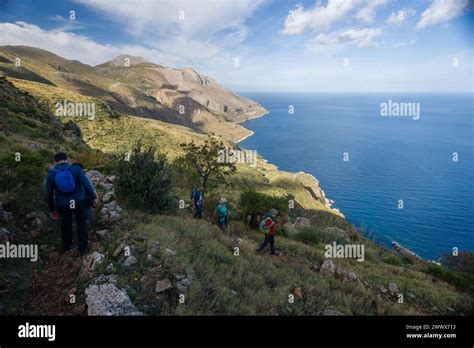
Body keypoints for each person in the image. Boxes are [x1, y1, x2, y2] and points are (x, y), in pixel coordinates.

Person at [45, 153, 97, 255]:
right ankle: (83, 248)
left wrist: (52, 210)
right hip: (78, 201)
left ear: (55, 161)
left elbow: (49, 194)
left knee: (65, 224)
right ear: (66, 159)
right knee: (81, 223)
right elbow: (87, 185)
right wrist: (93, 197)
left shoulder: (51, 174)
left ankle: (66, 246)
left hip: (63, 204)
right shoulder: (76, 169)